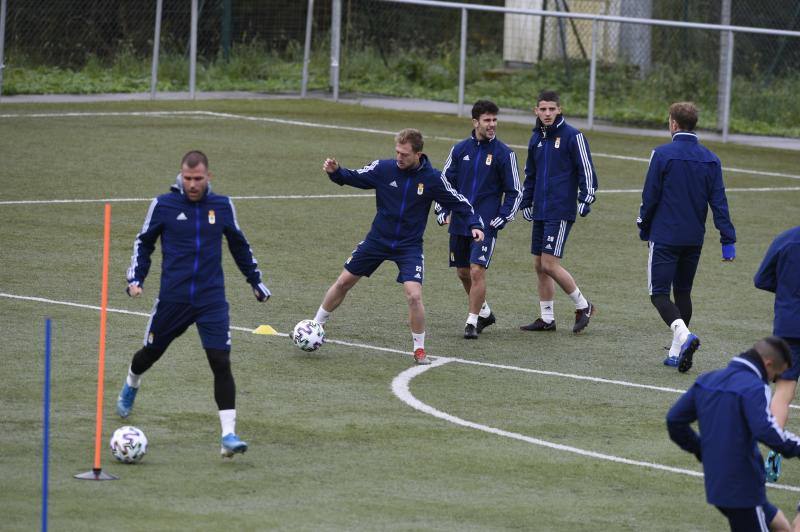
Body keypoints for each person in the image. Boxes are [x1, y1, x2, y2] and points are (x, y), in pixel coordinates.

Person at [116, 150, 270, 458]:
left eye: (198, 179)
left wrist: (255, 280)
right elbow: (143, 242)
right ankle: (132, 382)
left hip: (211, 299)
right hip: (173, 298)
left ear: (208, 177)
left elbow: (239, 244)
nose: (193, 185)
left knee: (220, 362)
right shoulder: (163, 205)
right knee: (150, 354)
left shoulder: (222, 206)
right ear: (180, 176)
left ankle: (228, 435)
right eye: (187, 179)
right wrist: (136, 279)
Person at [312, 128, 484, 364]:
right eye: (397, 152)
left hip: (408, 246)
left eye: (404, 154)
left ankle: (419, 350)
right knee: (343, 282)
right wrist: (336, 172)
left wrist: (475, 224)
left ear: (418, 154)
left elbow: (460, 202)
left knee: (414, 296)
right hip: (377, 240)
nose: (399, 157)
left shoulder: (432, 178)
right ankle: (315, 325)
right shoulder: (383, 168)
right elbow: (355, 177)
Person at [637, 101, 737, 372]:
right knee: (683, 291)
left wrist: (643, 227)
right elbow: (719, 202)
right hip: (694, 238)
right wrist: (728, 241)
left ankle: (684, 336)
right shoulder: (711, 159)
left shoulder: (662, 154)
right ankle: (675, 351)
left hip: (665, 236)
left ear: (673, 123)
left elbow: (650, 196)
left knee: (658, 294)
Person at [666, 337, 800, 532]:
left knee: (781, 527)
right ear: (768, 363)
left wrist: (702, 450)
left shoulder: (707, 380)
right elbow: (765, 430)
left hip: (718, 484)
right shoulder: (755, 387)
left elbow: (674, 421)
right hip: (743, 489)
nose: (772, 380)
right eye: (775, 375)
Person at [433, 99, 522, 339]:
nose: (492, 124)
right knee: (462, 272)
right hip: (460, 221)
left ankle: (471, 322)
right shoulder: (460, 150)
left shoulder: (505, 154)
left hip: (485, 224)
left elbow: (515, 191)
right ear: (475, 122)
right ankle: (484, 312)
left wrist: (503, 217)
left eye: (495, 120)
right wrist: (441, 210)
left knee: (476, 270)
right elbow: (443, 184)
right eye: (487, 120)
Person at [518, 90, 598, 334]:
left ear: (559, 109)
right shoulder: (536, 138)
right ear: (536, 111)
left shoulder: (573, 136)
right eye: (543, 109)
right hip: (541, 209)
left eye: (552, 109)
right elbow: (530, 173)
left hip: (560, 209)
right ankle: (547, 318)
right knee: (539, 265)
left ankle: (583, 305)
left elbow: (587, 170)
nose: (547, 113)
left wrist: (586, 197)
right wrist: (527, 201)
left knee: (550, 264)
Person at [755, 225, 800, 483]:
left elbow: (761, 278)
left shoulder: (785, 239)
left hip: (788, 327)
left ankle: (775, 450)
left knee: (783, 393)